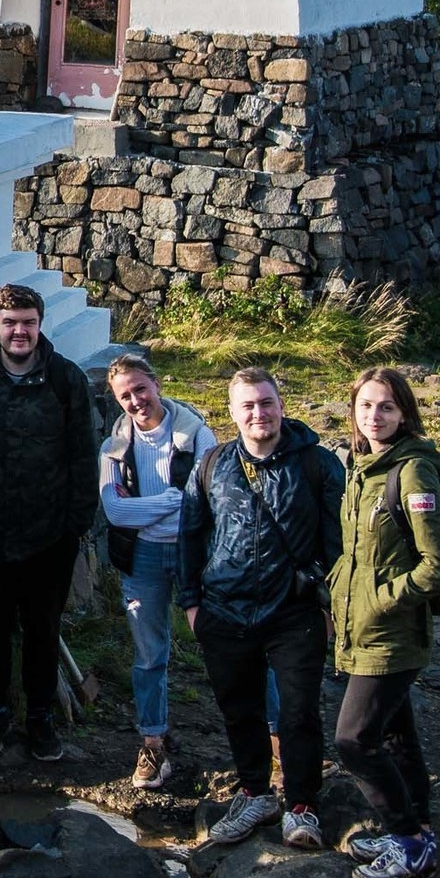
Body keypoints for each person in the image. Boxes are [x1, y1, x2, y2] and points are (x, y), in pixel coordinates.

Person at [180, 365, 345, 852]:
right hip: (225, 610)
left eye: (266, 403)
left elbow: (340, 541)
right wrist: (191, 603)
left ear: (281, 406)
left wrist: (331, 602)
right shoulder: (212, 464)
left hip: (294, 610)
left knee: (297, 713)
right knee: (239, 710)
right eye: (247, 405)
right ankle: (254, 793)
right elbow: (189, 534)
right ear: (232, 413)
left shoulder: (317, 464)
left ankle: (302, 805)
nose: (259, 413)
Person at [0, 281, 99, 765]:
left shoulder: (65, 379)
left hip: (50, 532)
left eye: (28, 323)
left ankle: (40, 718)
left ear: (40, 325)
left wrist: (75, 522)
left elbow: (84, 453)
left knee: (42, 627)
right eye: (10, 323)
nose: (20, 332)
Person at [331, 366, 440, 878]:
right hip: (360, 626)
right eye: (365, 406)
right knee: (396, 735)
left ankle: (407, 841)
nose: (374, 416)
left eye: (385, 406)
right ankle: (420, 833)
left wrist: (382, 600)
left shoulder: (410, 474)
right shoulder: (359, 466)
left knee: (354, 740)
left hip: (392, 632)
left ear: (405, 412)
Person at [97, 352, 217, 790]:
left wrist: (143, 508)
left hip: (193, 555)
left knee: (228, 644)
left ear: (157, 384)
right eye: (124, 396)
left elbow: (202, 503)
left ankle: (271, 741)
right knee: (149, 654)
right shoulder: (114, 446)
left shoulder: (198, 435)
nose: (135, 401)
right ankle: (153, 741)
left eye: (140, 389)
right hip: (143, 556)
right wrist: (167, 502)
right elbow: (113, 509)